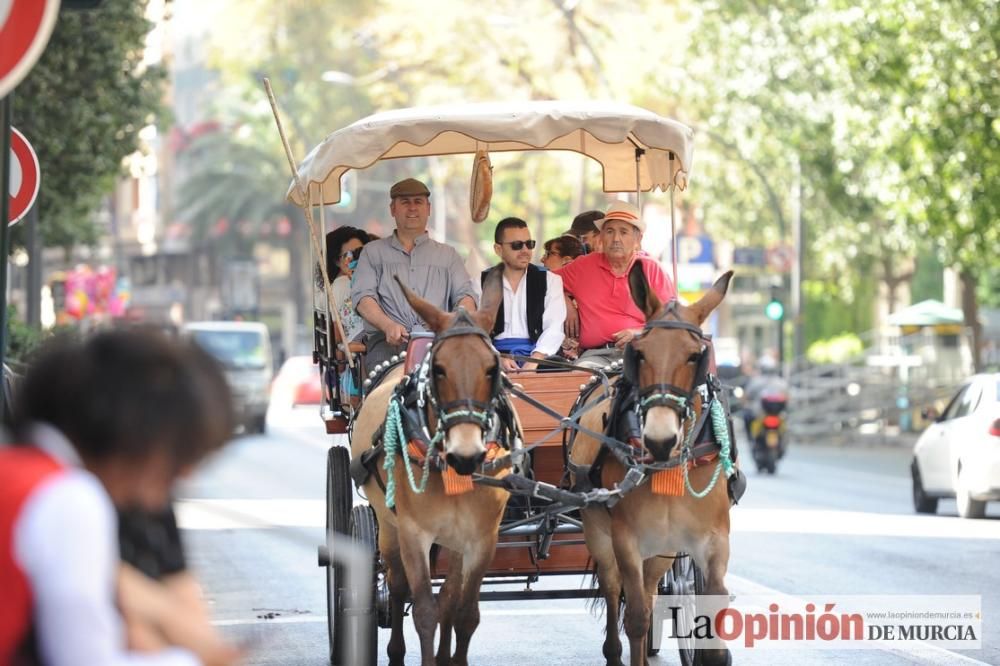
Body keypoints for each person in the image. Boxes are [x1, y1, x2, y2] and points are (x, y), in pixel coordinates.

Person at [0, 328, 240, 666]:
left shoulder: (19, 469)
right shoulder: (70, 499)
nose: (155, 500)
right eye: (172, 465)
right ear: (140, 433)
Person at [351, 178, 478, 367]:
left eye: (418, 202)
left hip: (437, 344)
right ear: (393, 209)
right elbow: (363, 297)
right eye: (405, 202)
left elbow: (466, 296)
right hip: (387, 345)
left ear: (428, 209)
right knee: (385, 393)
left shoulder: (448, 255)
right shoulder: (372, 252)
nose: (412, 208)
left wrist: (456, 320)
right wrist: (387, 325)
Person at [555, 201, 676, 369]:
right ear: (601, 237)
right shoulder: (584, 266)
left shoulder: (651, 268)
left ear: (637, 239)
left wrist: (637, 333)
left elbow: (671, 320)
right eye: (610, 232)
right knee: (580, 383)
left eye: (623, 232)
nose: (616, 239)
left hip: (642, 352)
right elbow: (545, 281)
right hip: (595, 357)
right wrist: (565, 300)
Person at [482, 217, 566, 372]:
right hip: (493, 357)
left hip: (539, 355)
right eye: (517, 245)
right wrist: (496, 357)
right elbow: (475, 331)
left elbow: (554, 328)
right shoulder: (481, 283)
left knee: (561, 370)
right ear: (498, 249)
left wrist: (534, 360)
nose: (525, 250)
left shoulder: (550, 280)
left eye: (529, 244)